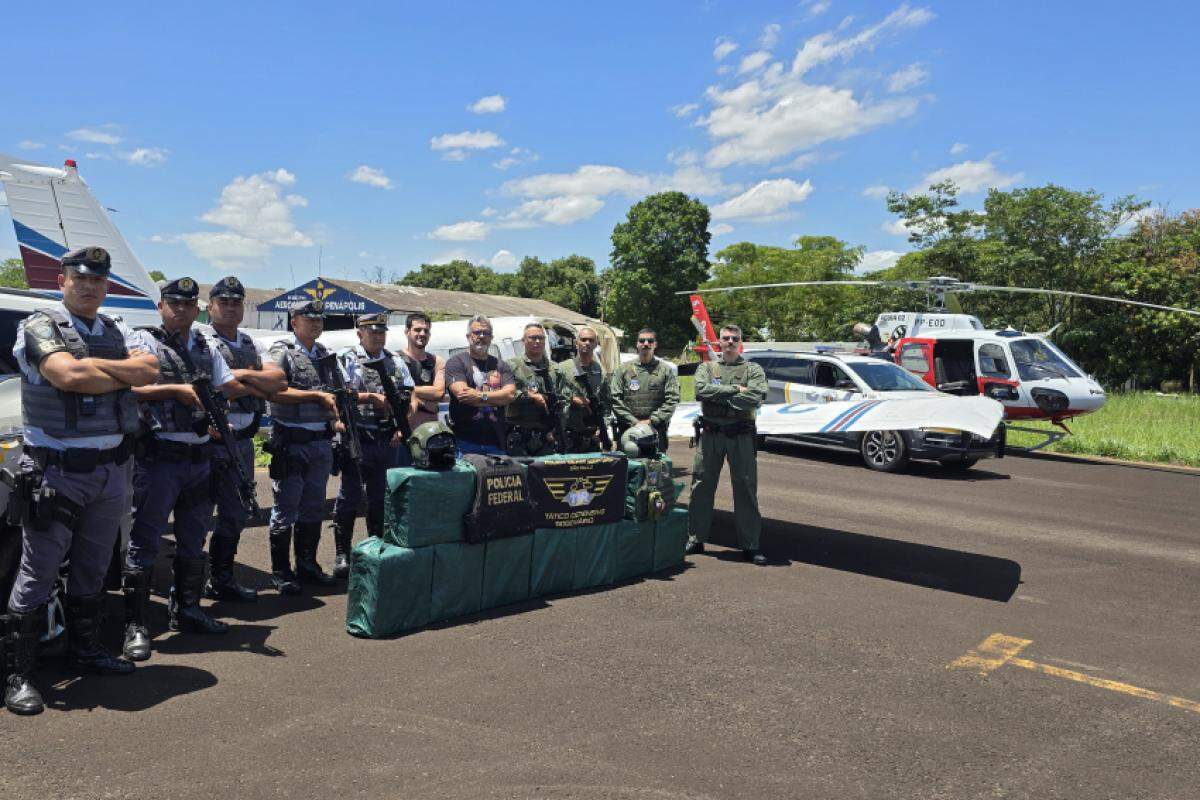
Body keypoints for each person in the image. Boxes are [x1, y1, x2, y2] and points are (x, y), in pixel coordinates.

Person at [3, 247, 159, 715]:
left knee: (93, 566)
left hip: (111, 469)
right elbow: (66, 375)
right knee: (38, 571)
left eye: (98, 279)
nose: (90, 286)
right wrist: (113, 373)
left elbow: (149, 371)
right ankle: (20, 675)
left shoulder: (117, 328)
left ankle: (86, 651)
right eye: (80, 278)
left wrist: (96, 370)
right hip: (56, 470)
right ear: (62, 279)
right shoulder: (38, 325)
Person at [124, 277, 248, 662]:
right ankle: (137, 626)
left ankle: (189, 609)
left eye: (188, 305)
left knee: (195, 538)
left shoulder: (204, 344)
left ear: (197, 309)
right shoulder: (144, 342)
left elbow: (226, 385)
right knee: (145, 540)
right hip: (159, 456)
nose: (180, 310)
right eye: (173, 303)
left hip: (199, 456)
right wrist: (174, 391)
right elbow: (128, 388)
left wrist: (214, 414)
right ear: (161, 306)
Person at [198, 277, 287, 602]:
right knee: (197, 514)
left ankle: (222, 578)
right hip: (208, 442)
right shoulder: (201, 340)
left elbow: (278, 380)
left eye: (236, 301)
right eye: (224, 302)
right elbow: (218, 384)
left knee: (235, 513)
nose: (231, 307)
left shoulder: (250, 343)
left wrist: (243, 378)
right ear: (210, 307)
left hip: (243, 444)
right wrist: (253, 381)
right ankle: (188, 590)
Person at [264, 301, 343, 594]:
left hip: (320, 442)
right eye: (308, 318)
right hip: (292, 442)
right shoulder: (281, 350)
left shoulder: (324, 354)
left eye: (319, 319)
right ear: (294, 321)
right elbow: (274, 391)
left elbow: (336, 392)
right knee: (286, 507)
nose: (315, 323)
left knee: (313, 507)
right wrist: (315, 396)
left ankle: (307, 564)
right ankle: (281, 572)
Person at [330, 313, 414, 578]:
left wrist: (403, 427)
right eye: (371, 331)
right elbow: (338, 394)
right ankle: (342, 553)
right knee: (349, 496)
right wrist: (371, 398)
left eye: (381, 331)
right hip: (359, 437)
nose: (377, 336)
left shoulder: (395, 360)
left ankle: (375, 547)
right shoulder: (347, 358)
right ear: (359, 333)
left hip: (386, 438)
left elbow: (409, 397)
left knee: (379, 497)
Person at [685, 324, 768, 566]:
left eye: (734, 338)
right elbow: (700, 391)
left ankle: (751, 544)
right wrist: (735, 390)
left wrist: (719, 395)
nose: (730, 342)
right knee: (701, 485)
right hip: (710, 435)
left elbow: (755, 396)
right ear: (718, 342)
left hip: (740, 436)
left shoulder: (752, 369)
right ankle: (695, 538)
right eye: (725, 338)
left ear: (740, 341)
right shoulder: (706, 368)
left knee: (745, 488)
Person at [444, 315, 516, 456]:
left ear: (491, 337)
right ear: (468, 336)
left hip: (497, 441)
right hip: (465, 442)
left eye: (486, 333)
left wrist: (480, 396)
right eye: (477, 332)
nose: (482, 336)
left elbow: (510, 394)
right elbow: (463, 395)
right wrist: (497, 397)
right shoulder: (456, 362)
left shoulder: (501, 365)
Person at [610, 327, 679, 454]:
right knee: (627, 471)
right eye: (642, 341)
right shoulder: (623, 370)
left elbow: (672, 399)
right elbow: (615, 400)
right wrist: (634, 422)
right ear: (637, 344)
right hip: (628, 430)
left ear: (655, 344)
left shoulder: (665, 370)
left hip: (655, 431)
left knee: (656, 470)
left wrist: (652, 420)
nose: (646, 344)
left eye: (650, 341)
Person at [505, 323, 568, 456]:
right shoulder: (511, 366)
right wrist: (530, 396)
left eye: (541, 338)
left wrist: (557, 431)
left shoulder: (555, 369)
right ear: (523, 341)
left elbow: (563, 401)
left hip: (547, 438)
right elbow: (506, 394)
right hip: (520, 436)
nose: (537, 341)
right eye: (532, 338)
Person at [559, 326, 611, 453]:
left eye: (591, 340)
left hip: (591, 436)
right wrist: (571, 399)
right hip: (567, 434)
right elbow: (555, 396)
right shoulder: (562, 368)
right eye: (583, 339)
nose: (587, 343)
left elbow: (606, 404)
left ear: (596, 344)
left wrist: (603, 427)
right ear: (577, 342)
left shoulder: (600, 371)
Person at [399, 312, 446, 430]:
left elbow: (439, 392)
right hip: (403, 431)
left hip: (430, 432)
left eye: (426, 330)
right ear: (407, 332)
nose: (422, 334)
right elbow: (394, 393)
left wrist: (409, 390)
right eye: (417, 330)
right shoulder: (395, 359)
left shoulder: (437, 361)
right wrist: (425, 403)